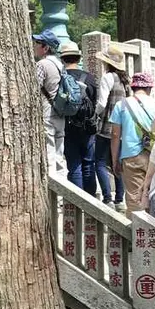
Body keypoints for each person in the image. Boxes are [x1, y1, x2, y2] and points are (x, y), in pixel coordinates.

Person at [110, 71, 155, 214]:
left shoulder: (121, 105)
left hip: (131, 156)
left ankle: (137, 232)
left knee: (134, 198)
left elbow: (115, 135)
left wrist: (114, 161)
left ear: (132, 88)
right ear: (149, 88)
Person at [59, 41, 97, 195]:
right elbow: (95, 101)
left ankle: (78, 204)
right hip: (88, 126)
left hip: (68, 125)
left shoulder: (62, 77)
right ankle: (92, 202)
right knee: (89, 164)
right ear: (78, 58)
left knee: (74, 165)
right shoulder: (89, 78)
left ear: (63, 59)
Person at [94, 44, 129, 211]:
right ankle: (120, 199)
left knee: (99, 162)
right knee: (118, 162)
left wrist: (94, 114)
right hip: (122, 128)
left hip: (106, 125)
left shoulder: (108, 77)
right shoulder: (125, 81)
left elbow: (102, 102)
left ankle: (107, 197)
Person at [33, 29, 65, 173]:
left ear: (45, 48)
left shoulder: (42, 65)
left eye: (37, 43)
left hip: (47, 111)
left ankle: (51, 191)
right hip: (61, 111)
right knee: (59, 154)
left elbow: (34, 88)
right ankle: (62, 193)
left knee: (49, 153)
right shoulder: (60, 65)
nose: (35, 46)